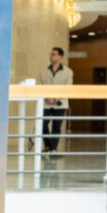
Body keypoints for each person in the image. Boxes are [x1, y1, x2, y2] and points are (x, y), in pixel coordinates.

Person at [38, 47, 73, 180]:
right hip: (46, 103)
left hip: (60, 103)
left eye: (53, 54)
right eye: (50, 54)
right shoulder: (43, 72)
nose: (51, 56)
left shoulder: (68, 72)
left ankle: (53, 149)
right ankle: (48, 146)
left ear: (60, 57)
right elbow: (40, 86)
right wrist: (47, 97)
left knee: (57, 126)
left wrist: (55, 98)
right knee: (43, 124)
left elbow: (68, 88)